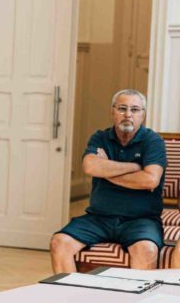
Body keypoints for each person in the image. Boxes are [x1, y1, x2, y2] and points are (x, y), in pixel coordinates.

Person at [51, 89, 167, 273]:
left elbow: (150, 180)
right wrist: (135, 167)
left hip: (140, 220)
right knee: (59, 243)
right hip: (98, 218)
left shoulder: (152, 141)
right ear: (112, 112)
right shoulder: (100, 138)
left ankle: (132, 302)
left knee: (147, 250)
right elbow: (90, 167)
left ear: (143, 115)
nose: (128, 114)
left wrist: (105, 169)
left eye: (135, 109)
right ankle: (71, 299)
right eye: (122, 108)